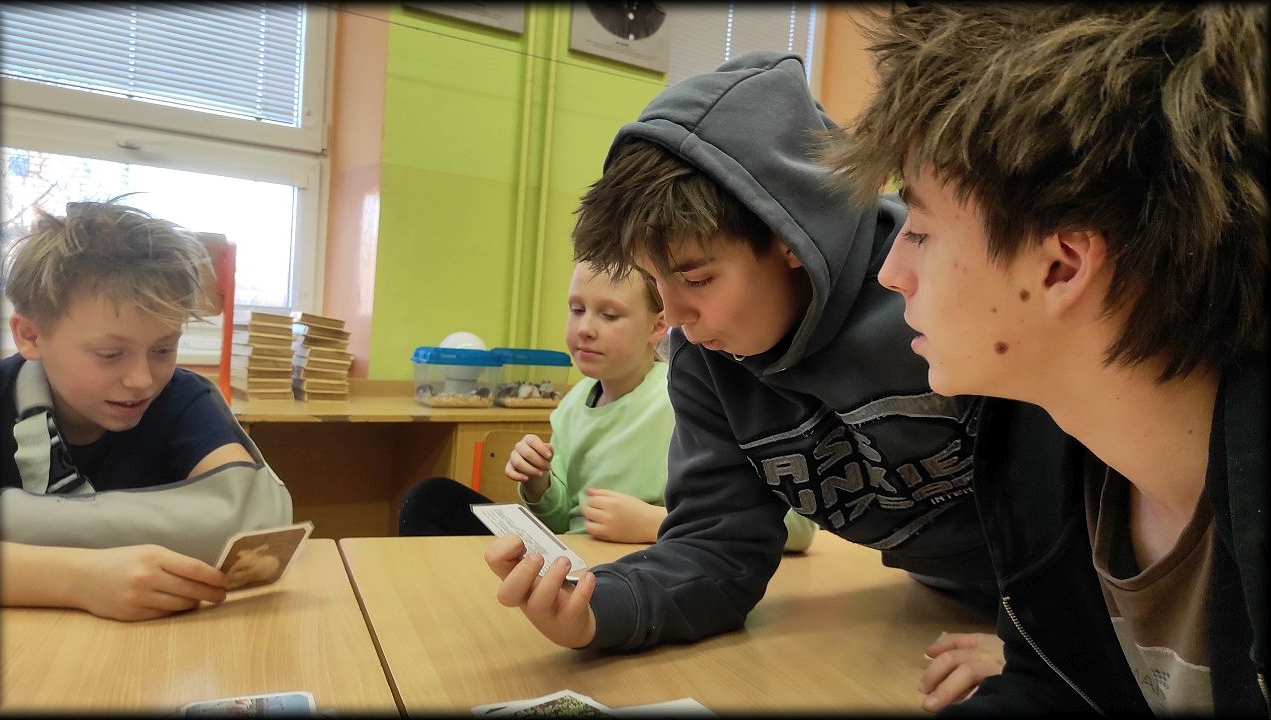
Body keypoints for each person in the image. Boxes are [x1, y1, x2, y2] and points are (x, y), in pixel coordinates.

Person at [483, 50, 1001, 704]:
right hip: (942, 607)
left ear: (792, 235)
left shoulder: (927, 284)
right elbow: (715, 550)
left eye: (697, 279)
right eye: (656, 283)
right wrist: (597, 609)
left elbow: (1093, 479)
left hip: (1083, 609)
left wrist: (1057, 640)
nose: (674, 317)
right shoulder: (705, 354)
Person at [821, 4, 1266, 715]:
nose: (891, 272)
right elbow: (1047, 687)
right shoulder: (1043, 451)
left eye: (922, 230)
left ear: (1062, 266)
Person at [0, 198, 293, 622]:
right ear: (30, 335)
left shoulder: (183, 397)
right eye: (110, 354)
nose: (142, 380)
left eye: (163, 349)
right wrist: (79, 577)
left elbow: (254, 520)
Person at [398, 261, 817, 550]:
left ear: (658, 325)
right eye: (576, 309)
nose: (585, 329)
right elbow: (561, 521)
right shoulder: (571, 404)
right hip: (574, 560)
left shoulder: (689, 400)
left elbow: (798, 527)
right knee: (431, 499)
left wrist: (655, 524)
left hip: (649, 564)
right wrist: (539, 484)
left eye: (610, 315)